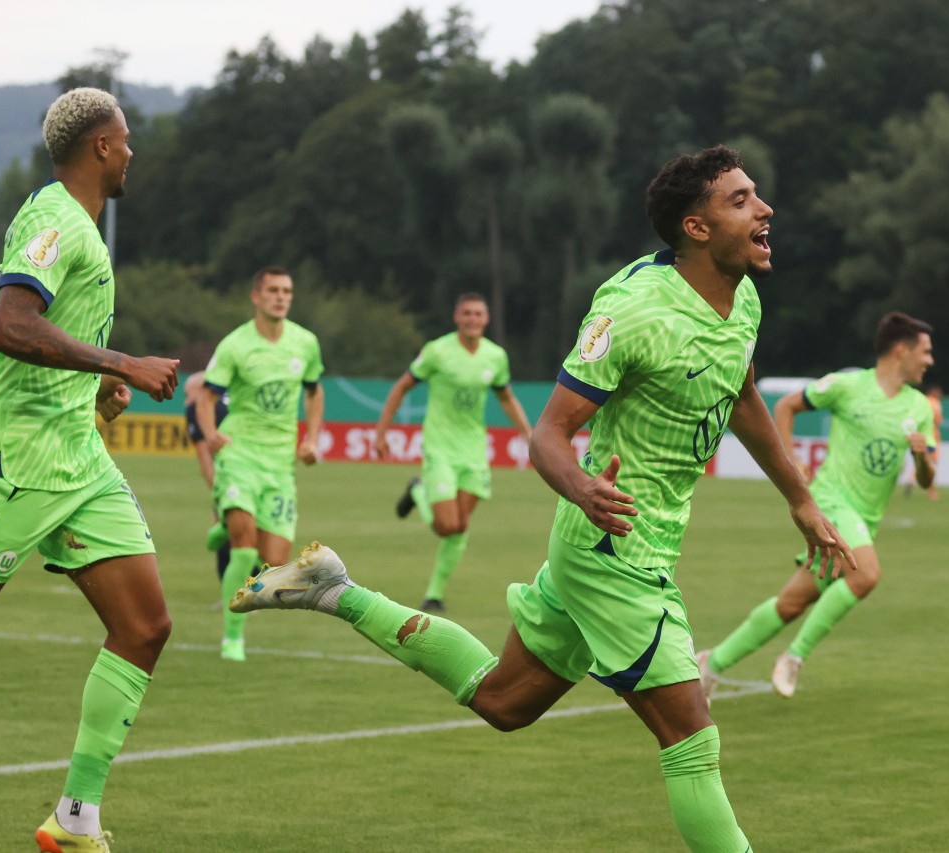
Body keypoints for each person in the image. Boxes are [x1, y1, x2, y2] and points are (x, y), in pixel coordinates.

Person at [227, 145, 856, 851]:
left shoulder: (742, 302)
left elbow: (741, 394)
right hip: (614, 550)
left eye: (756, 194)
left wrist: (799, 498)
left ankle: (333, 590)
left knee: (503, 700)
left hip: (626, 542)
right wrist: (585, 486)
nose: (763, 207)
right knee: (692, 736)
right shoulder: (633, 308)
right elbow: (549, 435)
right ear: (696, 228)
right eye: (740, 199)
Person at [0, 88, 178, 852]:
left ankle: (75, 818)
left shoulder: (60, 222)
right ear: (100, 146)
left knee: (146, 625)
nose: (131, 153)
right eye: (124, 141)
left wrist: (88, 379)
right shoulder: (57, 218)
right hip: (20, 460)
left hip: (79, 458)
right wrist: (119, 358)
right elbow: (8, 326)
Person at [698, 312, 936, 702]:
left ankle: (712, 662)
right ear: (901, 350)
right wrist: (791, 460)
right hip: (830, 502)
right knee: (866, 575)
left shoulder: (920, 407)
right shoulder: (847, 386)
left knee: (792, 603)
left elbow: (927, 480)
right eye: (925, 352)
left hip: (864, 518)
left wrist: (923, 459)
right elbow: (787, 406)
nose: (930, 361)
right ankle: (794, 657)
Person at [373, 293, 533, 612]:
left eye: (478, 314)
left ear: (486, 319)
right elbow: (402, 386)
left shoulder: (495, 356)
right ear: (456, 317)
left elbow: (506, 398)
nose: (472, 319)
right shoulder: (437, 351)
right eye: (467, 313)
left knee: (460, 526)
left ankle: (434, 594)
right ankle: (420, 490)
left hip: (474, 450)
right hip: (440, 447)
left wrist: (530, 436)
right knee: (447, 525)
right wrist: (382, 431)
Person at [196, 266, 324, 662]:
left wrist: (312, 439)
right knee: (241, 550)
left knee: (273, 563)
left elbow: (315, 393)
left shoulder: (305, 343)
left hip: (279, 461)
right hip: (240, 454)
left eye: (286, 290)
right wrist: (210, 433)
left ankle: (223, 526)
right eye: (273, 290)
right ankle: (233, 637)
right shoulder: (235, 344)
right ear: (256, 296)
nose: (281, 297)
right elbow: (205, 396)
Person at [183, 369, 230, 585]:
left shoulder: (198, 408)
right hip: (258, 472)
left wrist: (218, 492)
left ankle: (234, 591)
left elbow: (205, 457)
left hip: (229, 476)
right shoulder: (232, 401)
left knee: (225, 528)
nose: (186, 401)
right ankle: (258, 587)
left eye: (187, 394)